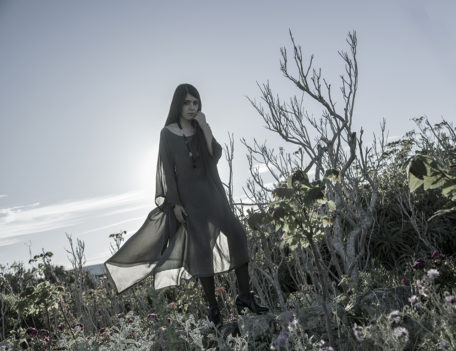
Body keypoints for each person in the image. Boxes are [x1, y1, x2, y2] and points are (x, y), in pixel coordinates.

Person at [104, 83, 268, 327]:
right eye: (187, 102)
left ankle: (245, 296)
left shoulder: (201, 128)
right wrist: (176, 204)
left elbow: (214, 155)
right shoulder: (167, 134)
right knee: (201, 251)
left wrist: (205, 126)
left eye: (196, 102)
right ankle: (213, 309)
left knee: (237, 234)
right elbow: (167, 172)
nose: (192, 107)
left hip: (213, 195)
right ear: (178, 104)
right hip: (189, 201)